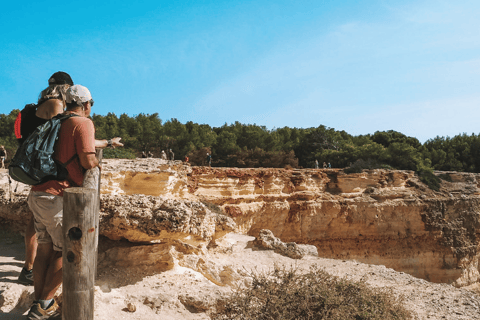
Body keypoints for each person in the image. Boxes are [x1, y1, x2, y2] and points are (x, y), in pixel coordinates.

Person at [17, 73, 123, 287]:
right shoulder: (66, 112)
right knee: (66, 249)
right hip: (55, 188)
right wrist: (95, 159)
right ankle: (44, 302)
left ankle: (32, 278)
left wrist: (107, 142)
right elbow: (83, 153)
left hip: (38, 182)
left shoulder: (44, 110)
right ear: (85, 103)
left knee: (43, 243)